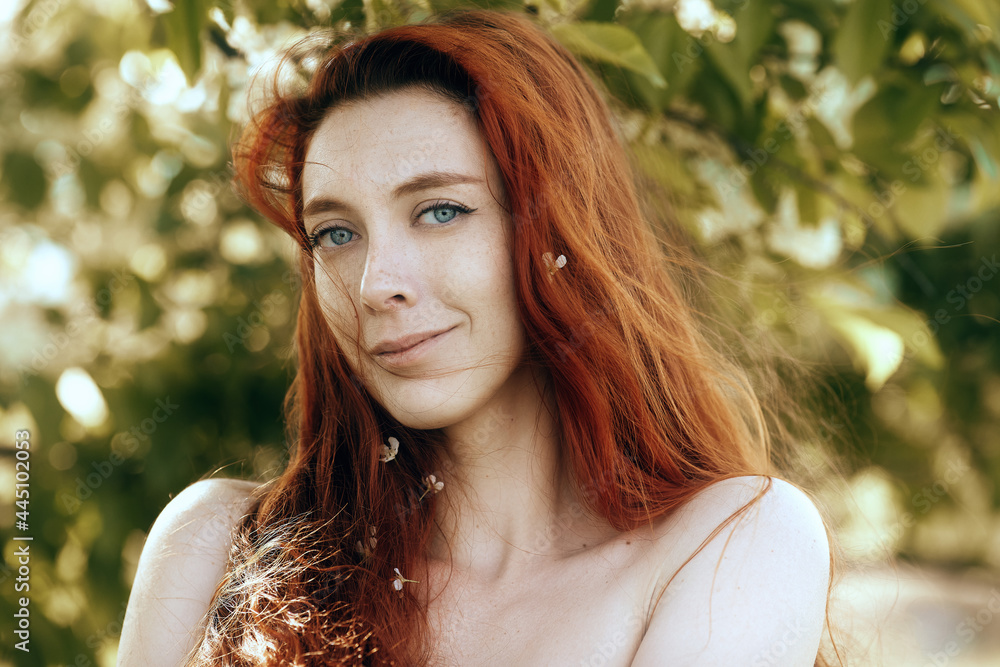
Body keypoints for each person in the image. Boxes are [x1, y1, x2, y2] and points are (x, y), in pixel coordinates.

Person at [119, 8, 837, 666]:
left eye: (440, 211)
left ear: (557, 230)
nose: (374, 283)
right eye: (335, 233)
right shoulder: (217, 550)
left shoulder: (733, 542)